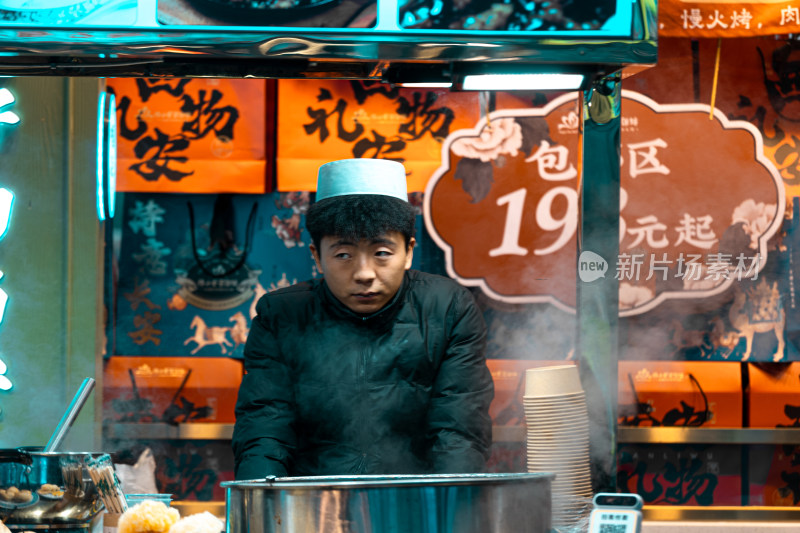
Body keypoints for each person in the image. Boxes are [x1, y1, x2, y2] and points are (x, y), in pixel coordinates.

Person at [232, 158, 494, 479]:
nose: (364, 274)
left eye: (382, 253)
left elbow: (459, 430)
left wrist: (451, 512)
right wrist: (262, 510)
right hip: (311, 505)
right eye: (343, 255)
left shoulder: (449, 308)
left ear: (408, 251)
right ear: (316, 256)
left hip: (415, 504)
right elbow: (265, 426)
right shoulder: (281, 315)